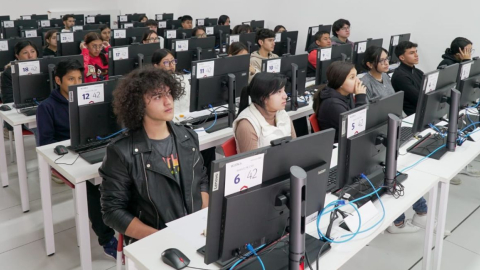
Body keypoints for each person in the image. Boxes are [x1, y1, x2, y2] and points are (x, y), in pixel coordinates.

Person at [99, 67, 209, 243]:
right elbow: (113, 211)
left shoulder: (188, 137)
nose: (168, 102)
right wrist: (162, 238)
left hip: (195, 231)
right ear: (139, 104)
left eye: (168, 93)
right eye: (157, 96)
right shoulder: (121, 152)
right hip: (155, 239)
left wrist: (202, 216)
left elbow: (201, 179)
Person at [35, 59, 119, 257]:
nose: (76, 82)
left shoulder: (89, 99)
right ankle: (106, 239)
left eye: (79, 78)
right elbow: (46, 144)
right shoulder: (47, 107)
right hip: (67, 158)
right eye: (70, 79)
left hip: (92, 147)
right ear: (58, 80)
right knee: (92, 187)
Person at [438, 37, 479, 184]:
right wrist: (467, 62)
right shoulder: (447, 64)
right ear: (460, 51)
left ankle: (463, 166)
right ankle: (450, 170)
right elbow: (461, 82)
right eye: (468, 50)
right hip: (448, 107)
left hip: (460, 104)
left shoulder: (459, 63)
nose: (470, 53)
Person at [234, 72, 296, 153]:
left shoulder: (282, 113)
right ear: (264, 98)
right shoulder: (247, 125)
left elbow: (295, 146)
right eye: (279, 92)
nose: (285, 96)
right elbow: (252, 164)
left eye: (284, 90)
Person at [313, 61, 367, 141]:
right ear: (340, 82)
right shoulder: (332, 104)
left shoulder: (347, 94)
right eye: (352, 78)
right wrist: (361, 98)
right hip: (338, 147)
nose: (358, 81)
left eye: (356, 76)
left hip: (349, 141)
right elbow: (357, 127)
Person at [1, 41, 39, 140]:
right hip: (22, 113)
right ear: (17, 56)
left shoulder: (44, 68)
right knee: (43, 129)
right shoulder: (9, 73)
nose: (30, 55)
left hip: (43, 108)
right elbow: (8, 99)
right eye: (25, 53)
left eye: (33, 51)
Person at [391, 41, 423, 116]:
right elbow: (419, 99)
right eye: (412, 53)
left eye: (416, 52)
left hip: (422, 111)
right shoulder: (401, 77)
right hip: (413, 115)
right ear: (402, 57)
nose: (416, 55)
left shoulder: (418, 72)